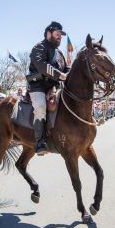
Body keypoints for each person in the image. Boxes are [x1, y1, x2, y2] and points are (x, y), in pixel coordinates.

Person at [28, 21, 70, 155]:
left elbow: (66, 69)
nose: (60, 37)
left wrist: (70, 73)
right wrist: (61, 75)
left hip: (54, 86)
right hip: (38, 85)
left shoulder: (59, 52)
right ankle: (40, 142)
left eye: (61, 35)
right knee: (40, 108)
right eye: (57, 34)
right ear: (49, 33)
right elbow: (42, 66)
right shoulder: (39, 48)